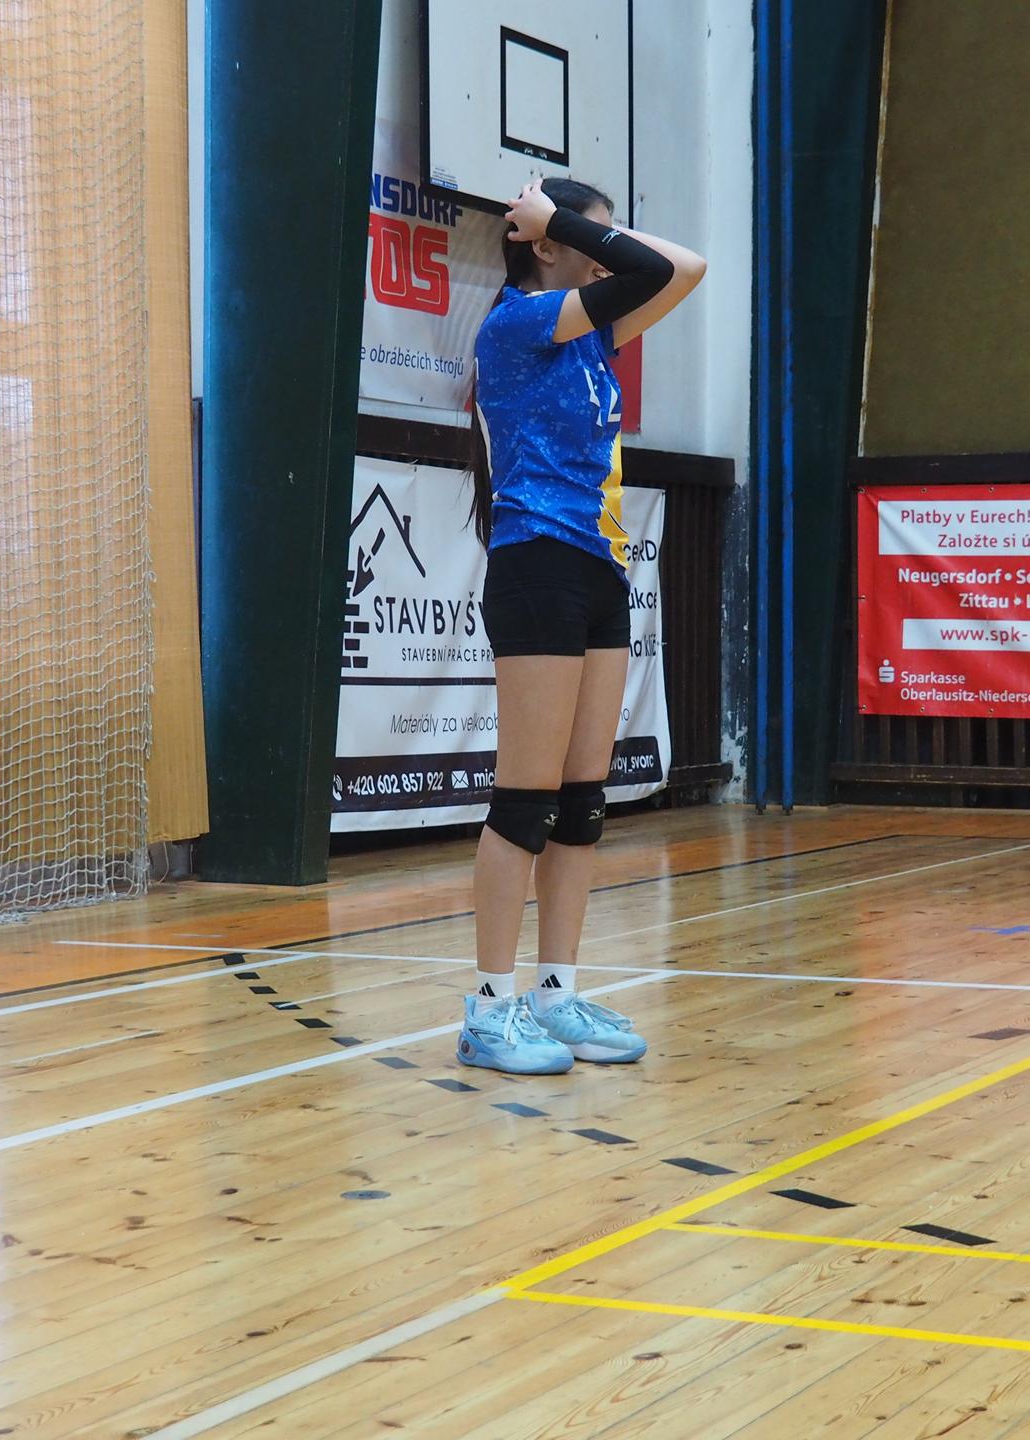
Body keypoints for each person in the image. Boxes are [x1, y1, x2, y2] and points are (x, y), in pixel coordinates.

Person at [456, 176, 706, 1074]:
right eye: (588, 240)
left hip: (600, 570)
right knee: (524, 800)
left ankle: (555, 992)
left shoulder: (591, 332)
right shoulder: (519, 323)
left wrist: (573, 227)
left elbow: (686, 268)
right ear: (548, 246)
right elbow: (649, 270)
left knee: (581, 802)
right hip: (538, 567)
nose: (609, 256)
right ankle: (489, 1009)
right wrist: (558, 222)